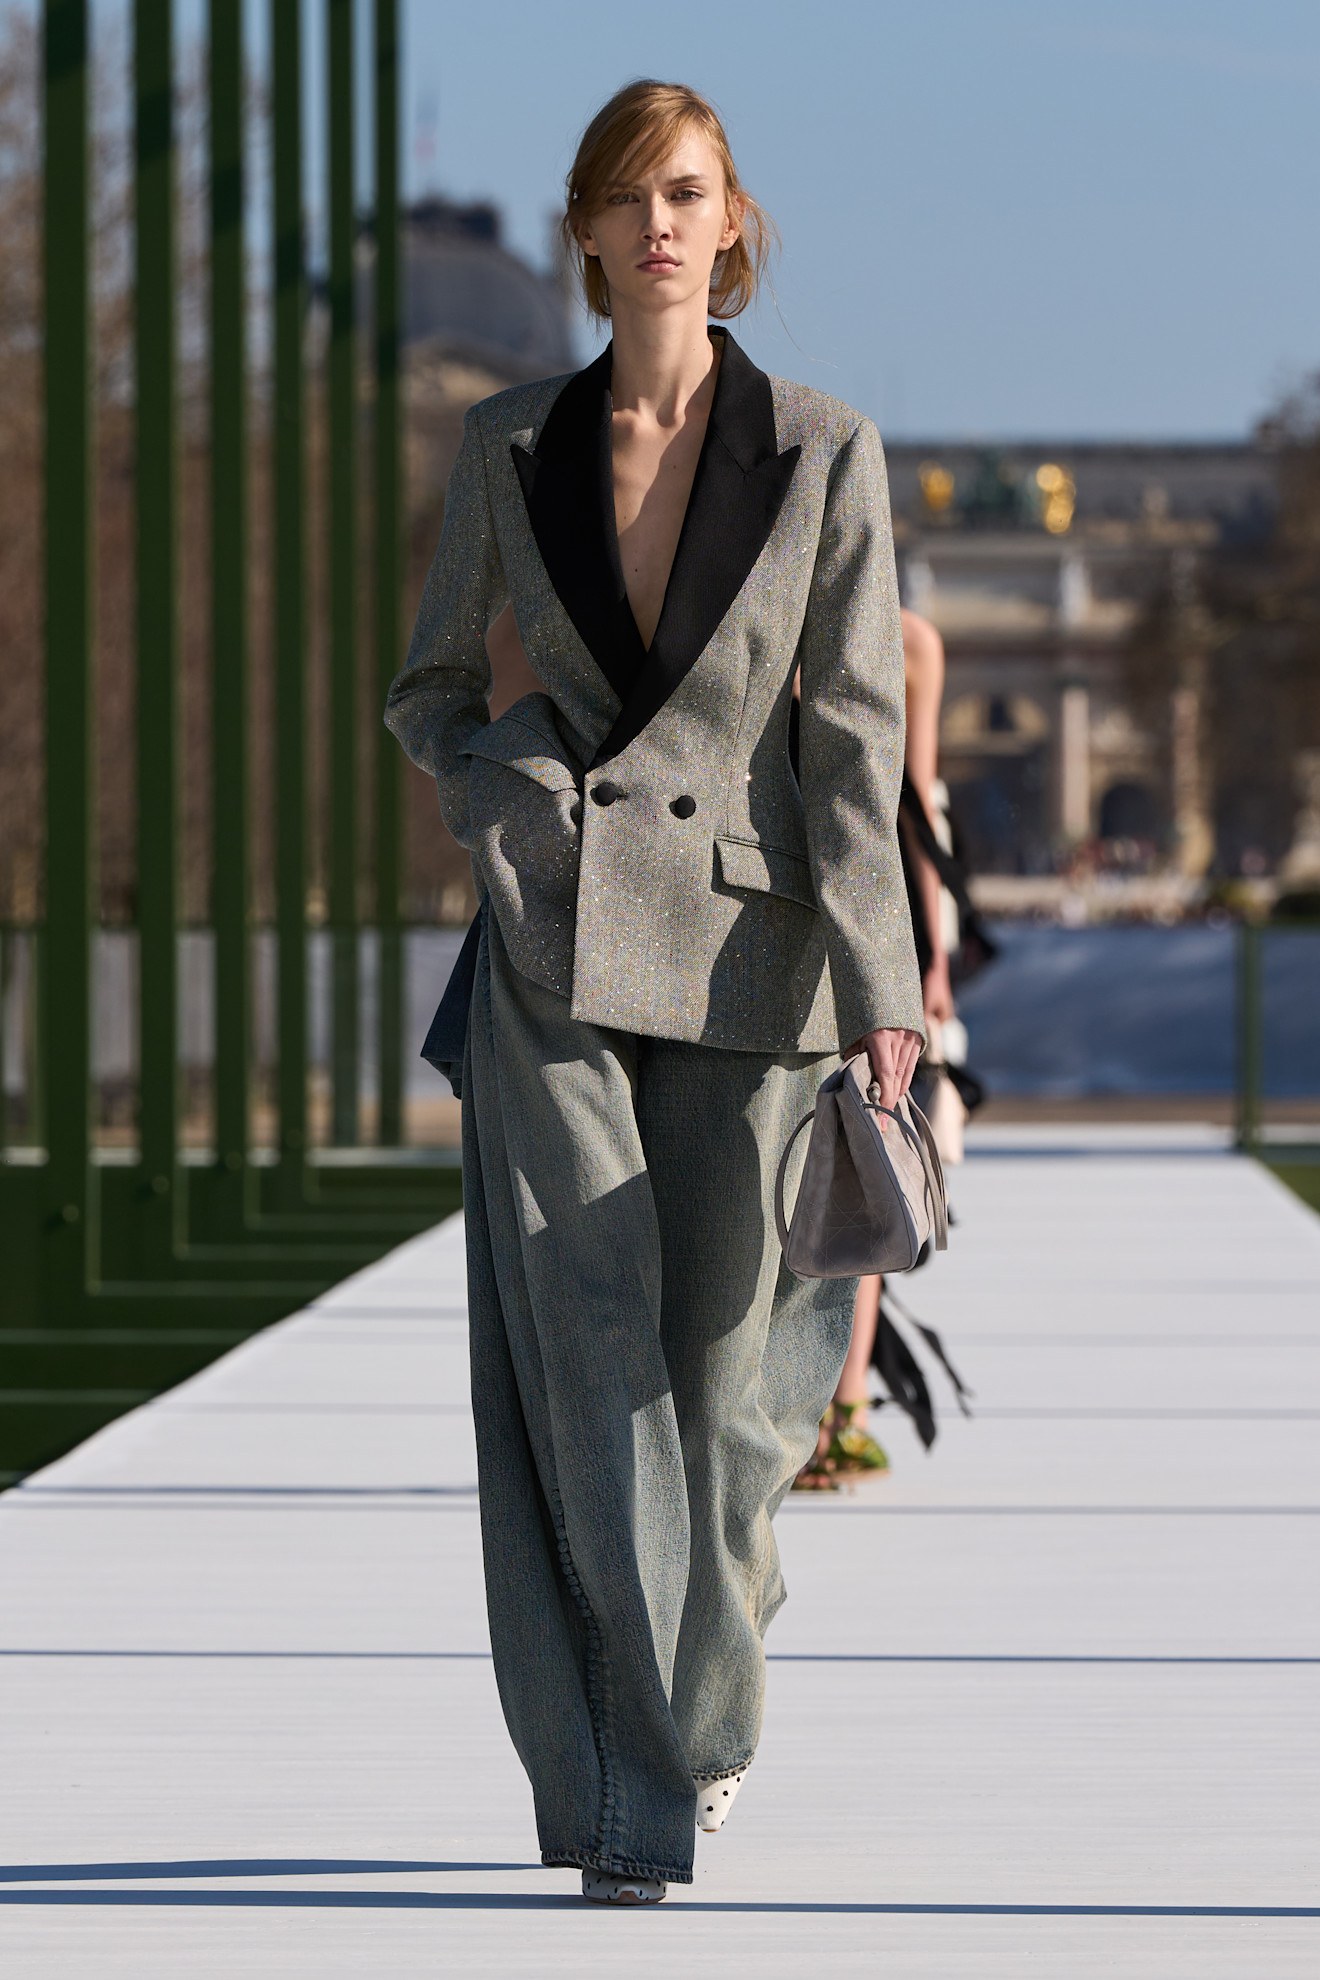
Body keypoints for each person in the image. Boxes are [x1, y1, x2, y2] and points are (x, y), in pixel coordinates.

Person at [385, 80, 923, 1906]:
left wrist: (890, 993)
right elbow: (431, 689)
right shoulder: (504, 444)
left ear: (735, 222)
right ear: (590, 235)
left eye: (688, 192)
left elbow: (855, 745)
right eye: (630, 198)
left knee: (730, 1397)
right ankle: (634, 1799)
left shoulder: (827, 450)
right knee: (589, 1360)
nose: (663, 224)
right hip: (551, 948)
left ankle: (713, 1668)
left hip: (755, 962)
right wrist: (506, 792)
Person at [795, 609, 953, 1486]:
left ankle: (844, 1405)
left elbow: (913, 805)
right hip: (778, 903)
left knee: (865, 1154)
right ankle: (810, 1408)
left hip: (871, 908)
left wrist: (926, 961)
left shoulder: (911, 643)